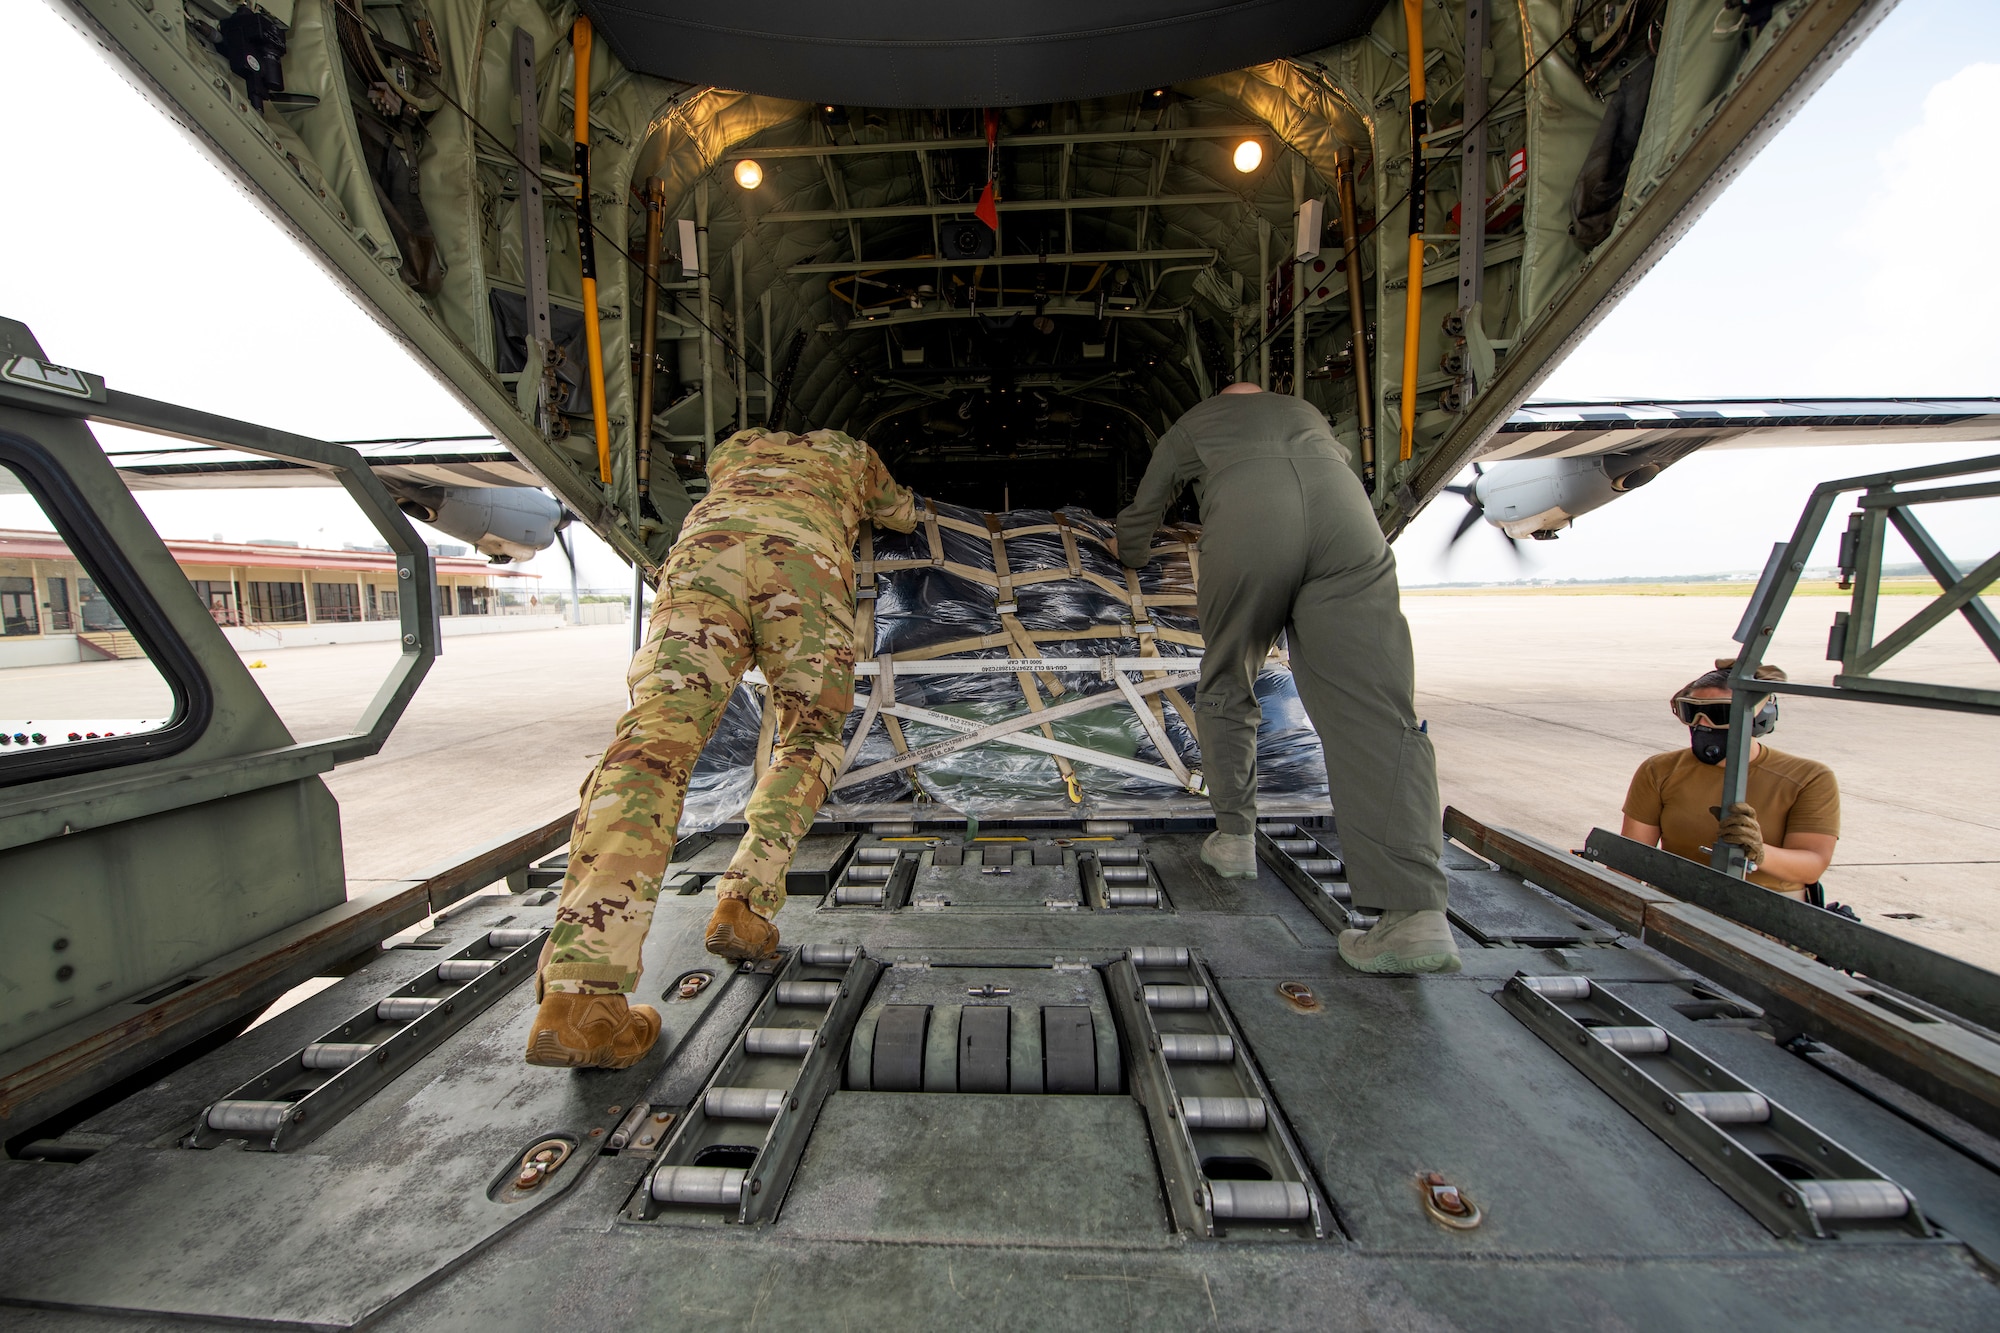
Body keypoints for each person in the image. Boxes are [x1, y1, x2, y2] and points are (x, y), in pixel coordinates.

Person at [526, 427, 917, 1069]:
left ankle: (582, 995)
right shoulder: (852, 452)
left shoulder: (734, 447)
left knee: (652, 747)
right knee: (811, 735)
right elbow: (898, 509)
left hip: (705, 560)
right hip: (803, 568)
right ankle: (744, 900)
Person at [1114, 382, 1458, 974]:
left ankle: (1234, 839)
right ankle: (1416, 914)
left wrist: (1131, 552)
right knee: (1378, 712)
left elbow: (1145, 511)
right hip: (1349, 526)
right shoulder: (1309, 417)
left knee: (1228, 681)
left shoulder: (1194, 424)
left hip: (1253, 526)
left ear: (1222, 399)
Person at [1621, 659, 1839, 899]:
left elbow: (1812, 866)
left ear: (1757, 717)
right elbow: (1630, 858)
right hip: (1677, 903)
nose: (1702, 723)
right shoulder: (1660, 770)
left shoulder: (1809, 778)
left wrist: (1760, 853)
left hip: (1771, 911)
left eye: (1719, 713)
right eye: (1692, 712)